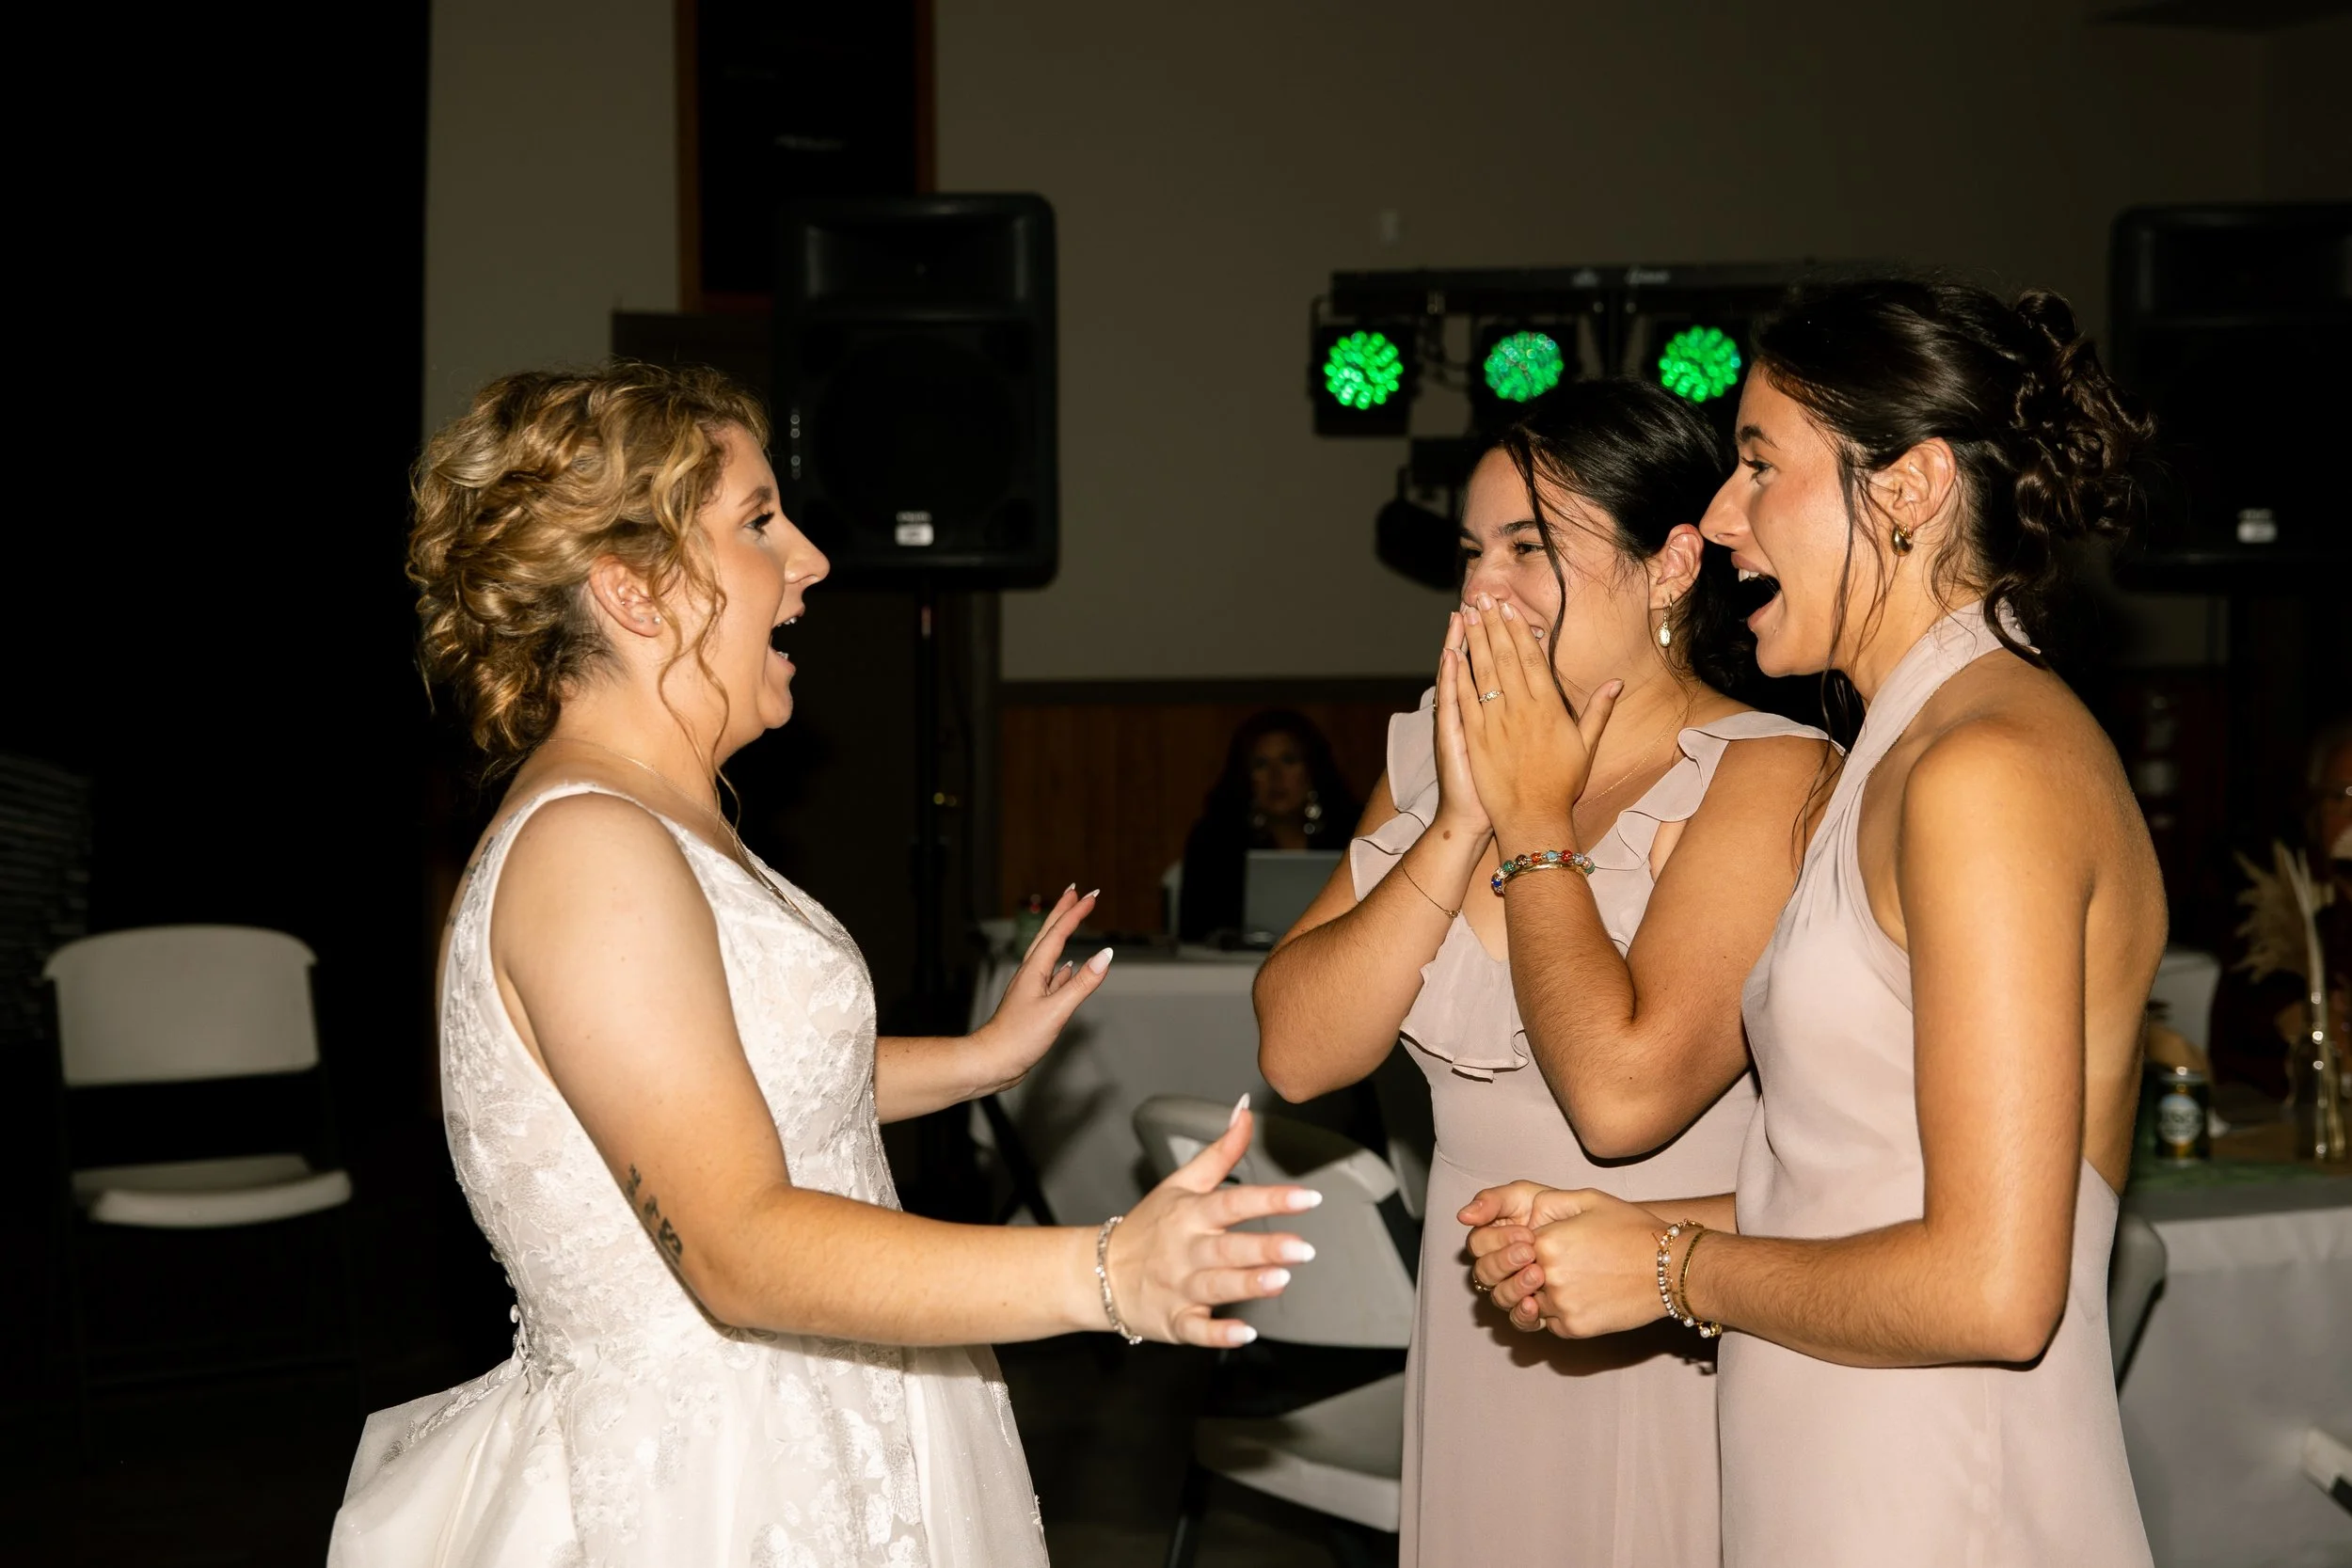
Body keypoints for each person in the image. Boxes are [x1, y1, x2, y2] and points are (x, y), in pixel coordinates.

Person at [330, 364, 1320, 1567]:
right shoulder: (588, 848)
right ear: (635, 590)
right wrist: (1106, 1269)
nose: (808, 560)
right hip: (709, 1485)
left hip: (814, 1417)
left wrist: (974, 1059)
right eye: (757, 522)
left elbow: (729, 1082)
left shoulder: (656, 818)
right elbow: (740, 1243)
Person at [1465, 278, 2165, 1567]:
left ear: (1906, 486)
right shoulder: (1903, 750)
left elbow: (1994, 1287)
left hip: (1948, 1507)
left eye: (1757, 463)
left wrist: (1672, 1267)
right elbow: (1862, 1181)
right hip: (1842, 1482)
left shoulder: (1987, 768)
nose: (1724, 516)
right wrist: (1626, 1231)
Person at [1254, 378, 1830, 1566]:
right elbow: (1298, 1053)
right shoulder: (1433, 749)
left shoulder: (1766, 773)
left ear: (1672, 564)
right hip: (1475, 1332)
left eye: (1529, 546)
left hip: (1661, 1339)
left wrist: (1528, 816)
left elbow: (1624, 1104)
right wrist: (1460, 813)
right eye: (1471, 552)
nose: (1480, 591)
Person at [1176, 710, 1360, 942]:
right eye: (1261, 764)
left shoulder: (1352, 832)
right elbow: (1196, 930)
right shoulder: (1214, 840)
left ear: (1312, 770)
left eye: (1289, 760)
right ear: (1245, 776)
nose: (1276, 776)